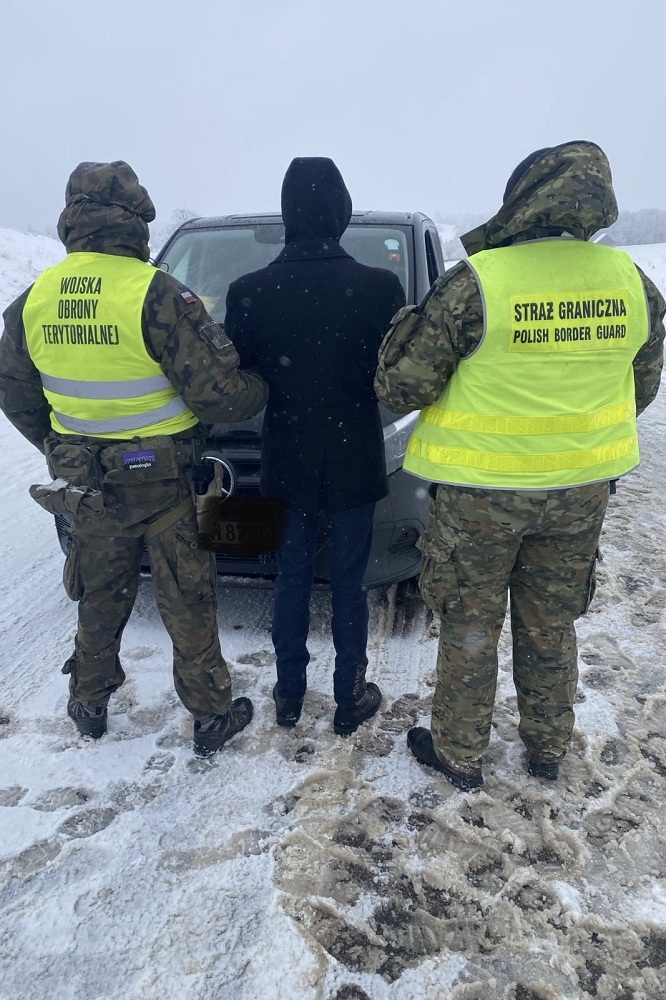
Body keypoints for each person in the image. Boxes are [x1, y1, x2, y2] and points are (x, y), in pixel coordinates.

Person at [375, 141, 665, 789]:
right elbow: (640, 388)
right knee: (551, 620)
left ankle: (460, 753)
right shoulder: (632, 283)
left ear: (523, 198)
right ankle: (547, 747)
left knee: (471, 621)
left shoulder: (478, 282)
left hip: (481, 494)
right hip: (579, 492)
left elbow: (403, 385)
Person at [0, 161, 269, 757]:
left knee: (100, 593)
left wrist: (61, 447)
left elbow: (15, 393)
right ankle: (211, 715)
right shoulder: (156, 293)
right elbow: (220, 398)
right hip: (164, 482)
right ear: (134, 219)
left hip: (87, 485)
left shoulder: (34, 298)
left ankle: (88, 702)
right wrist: (262, 386)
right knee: (187, 597)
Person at [225, 157, 405, 735]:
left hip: (286, 458)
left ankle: (288, 696)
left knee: (291, 578)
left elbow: (241, 377)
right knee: (349, 582)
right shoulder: (381, 288)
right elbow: (394, 375)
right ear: (340, 210)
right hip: (354, 455)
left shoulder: (248, 291)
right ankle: (350, 696)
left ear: (288, 213)